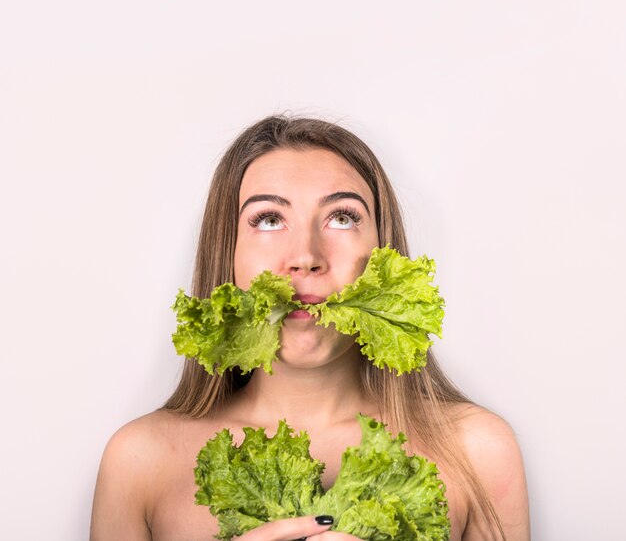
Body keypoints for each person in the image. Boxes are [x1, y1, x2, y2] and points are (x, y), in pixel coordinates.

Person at [90, 116, 530, 541]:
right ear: (227, 257)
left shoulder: (477, 452)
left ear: (385, 254)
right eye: (268, 219)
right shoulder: (139, 463)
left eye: (342, 217)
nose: (305, 256)